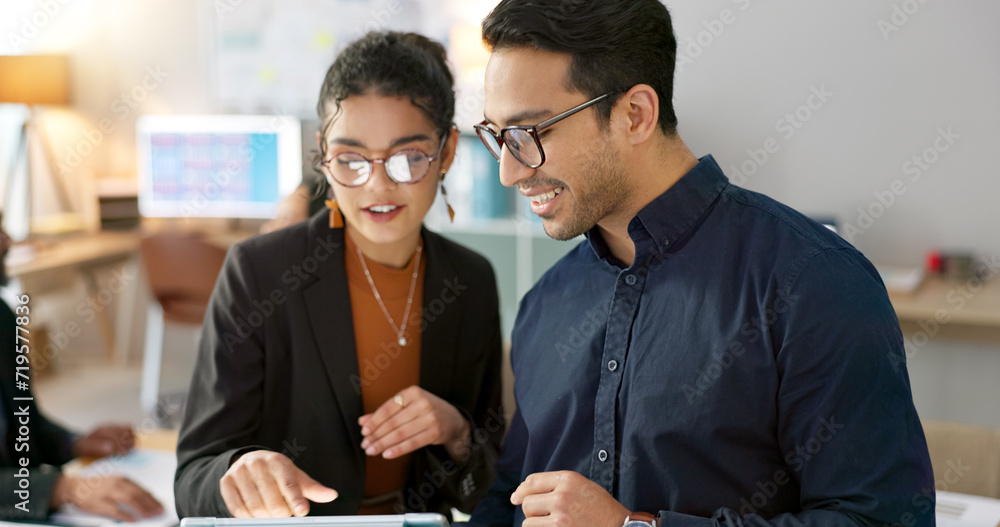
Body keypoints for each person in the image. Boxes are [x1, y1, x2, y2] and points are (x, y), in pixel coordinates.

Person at [467, 1, 934, 526]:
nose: (508, 172)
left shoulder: (814, 282)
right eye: (498, 135)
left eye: (532, 134)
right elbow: (510, 497)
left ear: (635, 114)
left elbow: (884, 520)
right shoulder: (545, 303)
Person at [175, 31, 504, 519]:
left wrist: (456, 434)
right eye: (350, 159)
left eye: (408, 157)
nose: (377, 184)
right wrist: (241, 472)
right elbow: (192, 479)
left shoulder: (469, 282)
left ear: (448, 151)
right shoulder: (259, 274)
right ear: (324, 153)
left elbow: (486, 488)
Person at [0, 225, 164, 521]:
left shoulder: (1, 317)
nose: (7, 240)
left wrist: (73, 443)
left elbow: (25, 427)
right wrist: (61, 488)